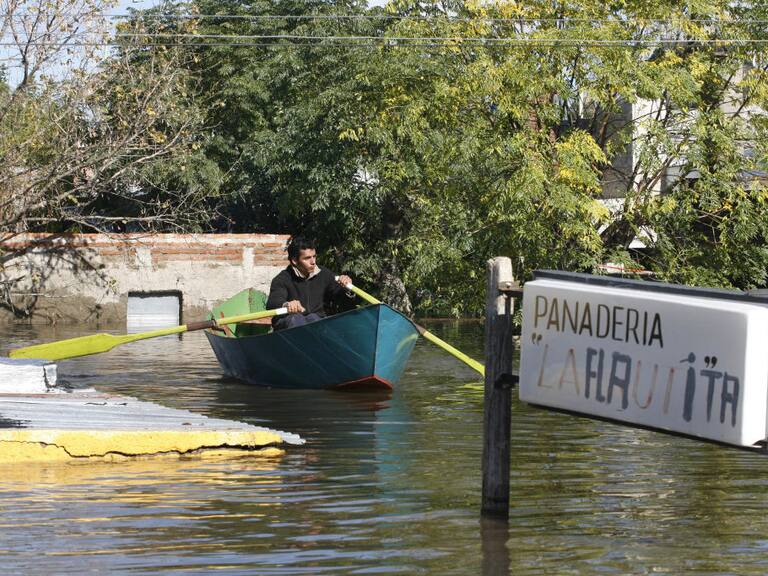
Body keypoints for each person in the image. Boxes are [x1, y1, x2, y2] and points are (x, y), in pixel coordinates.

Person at [266, 237, 354, 331]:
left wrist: (347, 287)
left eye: (314, 256)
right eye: (307, 258)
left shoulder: (324, 273)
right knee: (296, 319)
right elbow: (273, 302)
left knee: (314, 319)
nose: (313, 262)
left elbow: (339, 295)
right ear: (294, 261)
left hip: (316, 323)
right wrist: (287, 305)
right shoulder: (282, 279)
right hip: (289, 327)